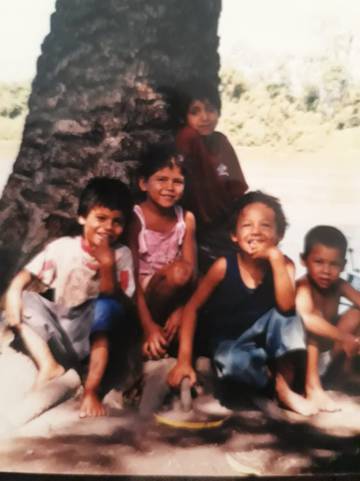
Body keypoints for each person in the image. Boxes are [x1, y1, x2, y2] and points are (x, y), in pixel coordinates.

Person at [168, 191, 317, 416]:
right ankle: (268, 383)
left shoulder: (284, 265)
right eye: (247, 225)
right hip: (232, 344)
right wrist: (184, 360)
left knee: (290, 318)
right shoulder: (223, 267)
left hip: (267, 340)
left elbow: (286, 308)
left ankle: (283, 388)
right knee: (232, 361)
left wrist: (275, 258)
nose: (256, 231)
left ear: (279, 235)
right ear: (234, 235)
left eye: (266, 225)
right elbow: (192, 308)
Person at [4, 177, 135, 418]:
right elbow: (26, 276)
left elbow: (117, 302)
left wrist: (107, 265)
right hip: (62, 328)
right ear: (83, 217)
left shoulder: (122, 255)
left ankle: (91, 389)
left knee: (106, 308)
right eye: (101, 218)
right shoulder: (63, 247)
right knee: (27, 299)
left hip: (95, 337)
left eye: (117, 222)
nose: (108, 227)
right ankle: (49, 365)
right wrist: (14, 292)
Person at [128, 143, 196, 361]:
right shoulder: (135, 218)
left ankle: (165, 343)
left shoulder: (185, 219)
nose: (170, 187)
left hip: (175, 294)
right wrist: (148, 326)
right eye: (161, 179)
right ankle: (147, 334)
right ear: (143, 183)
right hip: (139, 297)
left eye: (178, 182)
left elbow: (192, 272)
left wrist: (180, 311)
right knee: (177, 273)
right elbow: (131, 281)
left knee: (187, 274)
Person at [174, 81, 248, 271]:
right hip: (201, 227)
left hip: (226, 222)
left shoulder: (221, 141)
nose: (204, 117)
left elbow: (237, 190)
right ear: (184, 117)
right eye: (195, 111)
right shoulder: (187, 138)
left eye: (210, 109)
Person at [296, 225, 360, 412]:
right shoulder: (303, 286)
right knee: (315, 321)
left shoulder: (340, 285)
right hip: (305, 360)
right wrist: (345, 338)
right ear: (304, 260)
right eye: (319, 262)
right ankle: (313, 387)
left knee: (356, 314)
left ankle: (341, 378)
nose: (326, 270)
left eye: (334, 264)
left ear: (343, 264)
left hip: (330, 355)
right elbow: (307, 319)